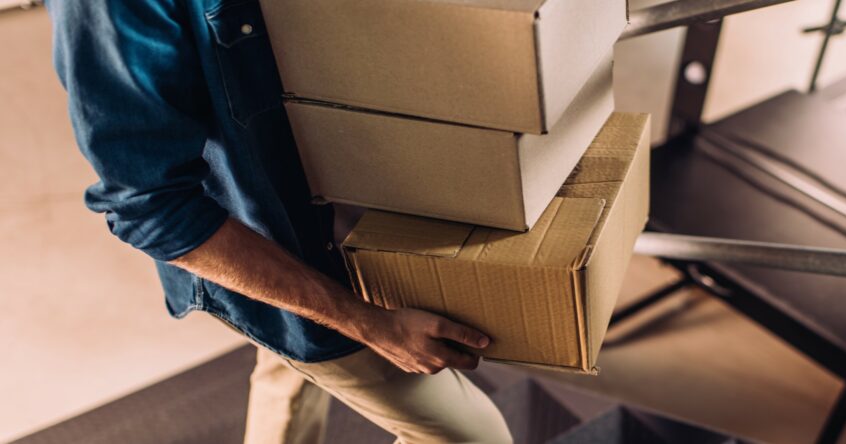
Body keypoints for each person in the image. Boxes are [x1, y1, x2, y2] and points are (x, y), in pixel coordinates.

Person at [46, 1, 513, 442]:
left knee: (288, 369)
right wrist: (369, 324)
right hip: (273, 243)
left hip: (342, 212)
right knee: (472, 435)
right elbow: (153, 208)